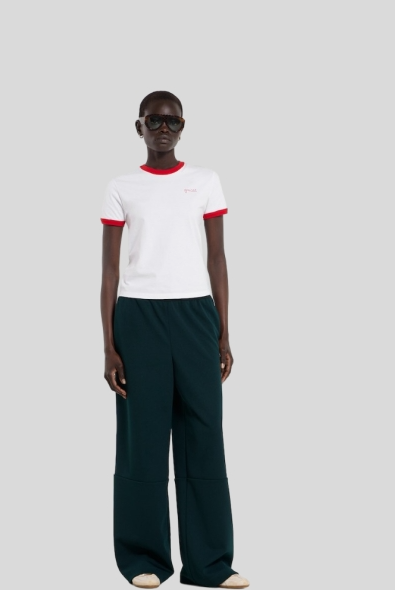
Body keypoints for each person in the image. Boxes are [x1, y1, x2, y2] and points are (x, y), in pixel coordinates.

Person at [99, 90, 250, 589]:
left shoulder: (205, 181)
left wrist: (224, 331)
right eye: (154, 120)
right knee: (142, 437)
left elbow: (217, 259)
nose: (163, 129)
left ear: (183, 127)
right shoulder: (121, 187)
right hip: (138, 316)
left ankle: (210, 564)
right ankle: (143, 559)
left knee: (203, 433)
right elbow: (109, 270)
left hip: (195, 315)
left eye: (173, 121)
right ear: (138, 126)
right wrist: (109, 345)